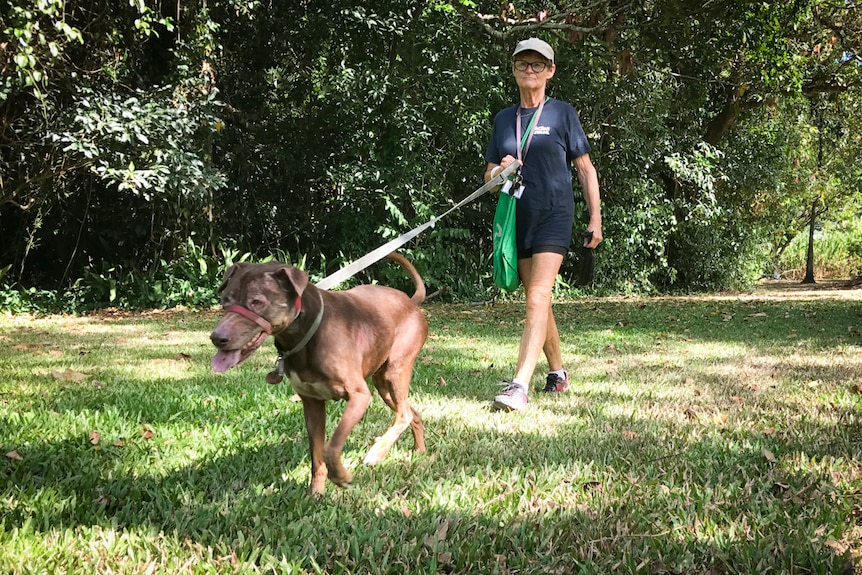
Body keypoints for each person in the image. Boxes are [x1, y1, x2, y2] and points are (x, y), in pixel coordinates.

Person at [483, 37, 602, 412]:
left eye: (537, 65)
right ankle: (558, 372)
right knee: (537, 299)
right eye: (522, 65)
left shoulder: (562, 114)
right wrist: (499, 171)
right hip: (517, 216)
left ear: (550, 71)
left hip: (554, 213)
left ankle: (520, 385)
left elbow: (585, 169)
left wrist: (595, 217)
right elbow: (488, 174)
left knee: (537, 295)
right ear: (514, 70)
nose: (529, 71)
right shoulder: (504, 118)